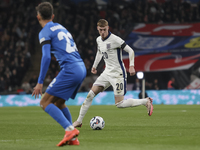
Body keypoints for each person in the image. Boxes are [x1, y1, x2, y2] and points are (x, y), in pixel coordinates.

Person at [73, 19, 153, 128]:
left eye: (104, 30)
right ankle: (79, 121)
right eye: (100, 30)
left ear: (108, 28)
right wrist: (95, 66)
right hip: (106, 73)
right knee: (90, 95)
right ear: (97, 29)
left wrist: (131, 66)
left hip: (118, 74)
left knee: (119, 104)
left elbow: (131, 51)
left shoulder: (115, 39)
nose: (102, 32)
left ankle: (145, 101)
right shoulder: (98, 40)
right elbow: (99, 52)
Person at [32, 2, 86, 147]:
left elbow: (47, 57)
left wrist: (40, 82)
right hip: (81, 67)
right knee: (59, 102)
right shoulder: (62, 27)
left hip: (70, 69)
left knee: (44, 102)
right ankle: (73, 138)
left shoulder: (44, 32)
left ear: (38, 17)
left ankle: (69, 130)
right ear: (53, 16)